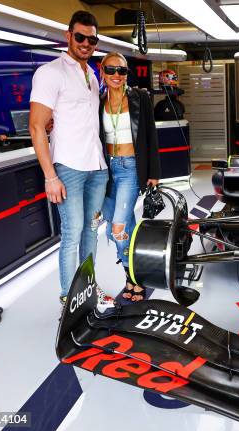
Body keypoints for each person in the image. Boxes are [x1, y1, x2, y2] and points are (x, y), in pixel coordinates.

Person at [29, 11, 108, 305]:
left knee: (91, 232)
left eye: (92, 39)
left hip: (96, 168)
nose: (86, 43)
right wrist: (50, 176)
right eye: (80, 37)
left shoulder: (91, 75)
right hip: (69, 168)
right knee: (72, 233)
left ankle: (88, 289)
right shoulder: (51, 72)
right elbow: (37, 126)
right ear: (68, 36)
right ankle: (69, 299)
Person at [99, 52, 160, 302]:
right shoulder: (97, 100)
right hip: (104, 170)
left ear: (127, 74)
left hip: (130, 168)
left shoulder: (140, 98)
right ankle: (134, 275)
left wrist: (154, 172)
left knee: (118, 227)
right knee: (123, 227)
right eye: (111, 70)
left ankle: (133, 278)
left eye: (122, 71)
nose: (116, 75)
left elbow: (150, 134)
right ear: (101, 71)